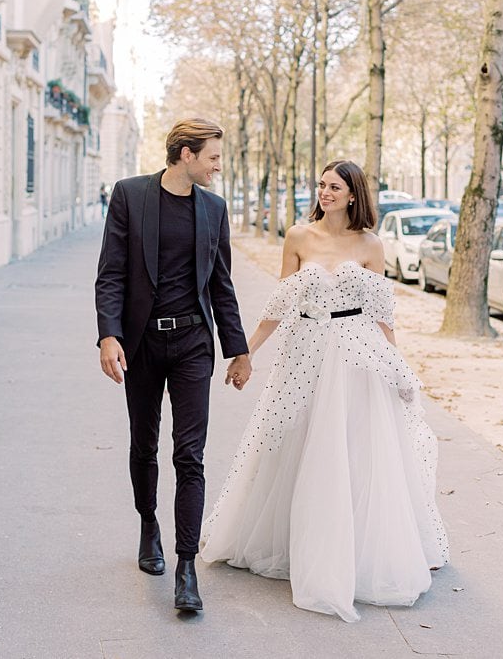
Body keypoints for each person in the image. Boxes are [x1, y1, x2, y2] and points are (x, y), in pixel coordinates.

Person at [200, 159, 449, 622]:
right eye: (321, 185)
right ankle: (300, 544)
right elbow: (279, 304)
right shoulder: (298, 237)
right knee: (298, 441)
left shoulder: (371, 245)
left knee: (357, 448)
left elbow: (382, 317)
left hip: (358, 357)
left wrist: (398, 370)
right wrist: (245, 352)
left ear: (353, 194)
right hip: (307, 351)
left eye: (334, 187)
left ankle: (357, 550)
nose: (325, 192)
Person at [95, 118, 253, 613]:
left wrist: (238, 349)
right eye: (213, 157)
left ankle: (187, 566)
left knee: (190, 455)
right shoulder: (130, 195)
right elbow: (111, 273)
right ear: (185, 154)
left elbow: (221, 284)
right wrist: (108, 335)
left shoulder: (214, 208)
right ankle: (149, 527)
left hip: (192, 345)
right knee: (143, 444)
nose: (218, 166)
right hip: (141, 343)